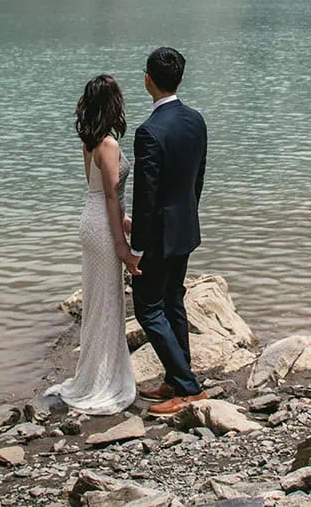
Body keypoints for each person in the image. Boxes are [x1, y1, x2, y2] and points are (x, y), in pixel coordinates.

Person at [48, 74, 138, 415]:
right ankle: (103, 381)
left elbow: (100, 190)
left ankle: (96, 374)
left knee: (99, 300)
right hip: (102, 225)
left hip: (91, 218)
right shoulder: (109, 145)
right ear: (114, 104)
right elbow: (112, 195)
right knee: (107, 302)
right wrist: (122, 245)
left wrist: (124, 221)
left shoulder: (90, 141)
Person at [129, 46, 209, 416]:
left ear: (148, 80)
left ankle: (189, 387)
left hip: (159, 235)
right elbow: (198, 180)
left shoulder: (149, 132)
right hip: (186, 228)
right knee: (174, 299)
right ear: (180, 78)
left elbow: (145, 198)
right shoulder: (196, 120)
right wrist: (188, 214)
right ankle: (176, 380)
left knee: (148, 309)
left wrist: (136, 248)